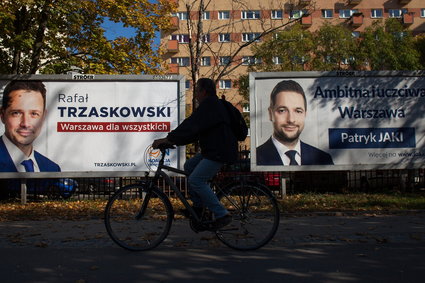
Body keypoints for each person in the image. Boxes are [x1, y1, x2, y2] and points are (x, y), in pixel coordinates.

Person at [152, 78, 237, 229]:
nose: (195, 93)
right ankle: (199, 207)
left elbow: (191, 125)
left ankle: (221, 214)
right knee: (189, 166)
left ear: (203, 91)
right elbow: (195, 132)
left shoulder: (209, 106)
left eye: (196, 90)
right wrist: (173, 141)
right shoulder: (211, 106)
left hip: (219, 151)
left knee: (196, 180)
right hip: (212, 150)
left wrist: (168, 138)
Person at [256, 80, 334, 166]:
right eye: (282, 110)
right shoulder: (256, 157)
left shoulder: (323, 159)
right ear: (270, 114)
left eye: (298, 111)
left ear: (305, 114)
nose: (291, 119)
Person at [0, 80, 61, 172]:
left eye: (34, 114)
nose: (25, 123)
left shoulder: (51, 168)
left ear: (43, 117)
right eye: (16, 113)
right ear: (2, 115)